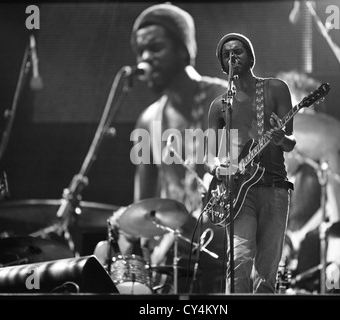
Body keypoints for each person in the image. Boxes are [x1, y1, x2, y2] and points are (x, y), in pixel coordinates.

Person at [94, 3, 227, 294]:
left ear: (183, 49)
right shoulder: (147, 121)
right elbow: (142, 206)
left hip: (223, 255)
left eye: (155, 48)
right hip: (171, 263)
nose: (144, 60)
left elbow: (242, 181)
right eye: (140, 52)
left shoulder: (223, 100)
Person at [204, 33, 296, 294]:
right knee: (239, 262)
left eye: (238, 52)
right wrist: (219, 168)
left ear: (251, 57)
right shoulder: (219, 106)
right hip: (239, 194)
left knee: (266, 272)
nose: (232, 57)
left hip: (275, 187)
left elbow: (289, 143)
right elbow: (209, 155)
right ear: (223, 65)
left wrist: (281, 138)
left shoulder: (276, 88)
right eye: (227, 54)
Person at [276, 70, 340, 293]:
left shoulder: (328, 157)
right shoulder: (271, 157)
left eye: (308, 116)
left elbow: (337, 226)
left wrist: (334, 270)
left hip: (314, 260)